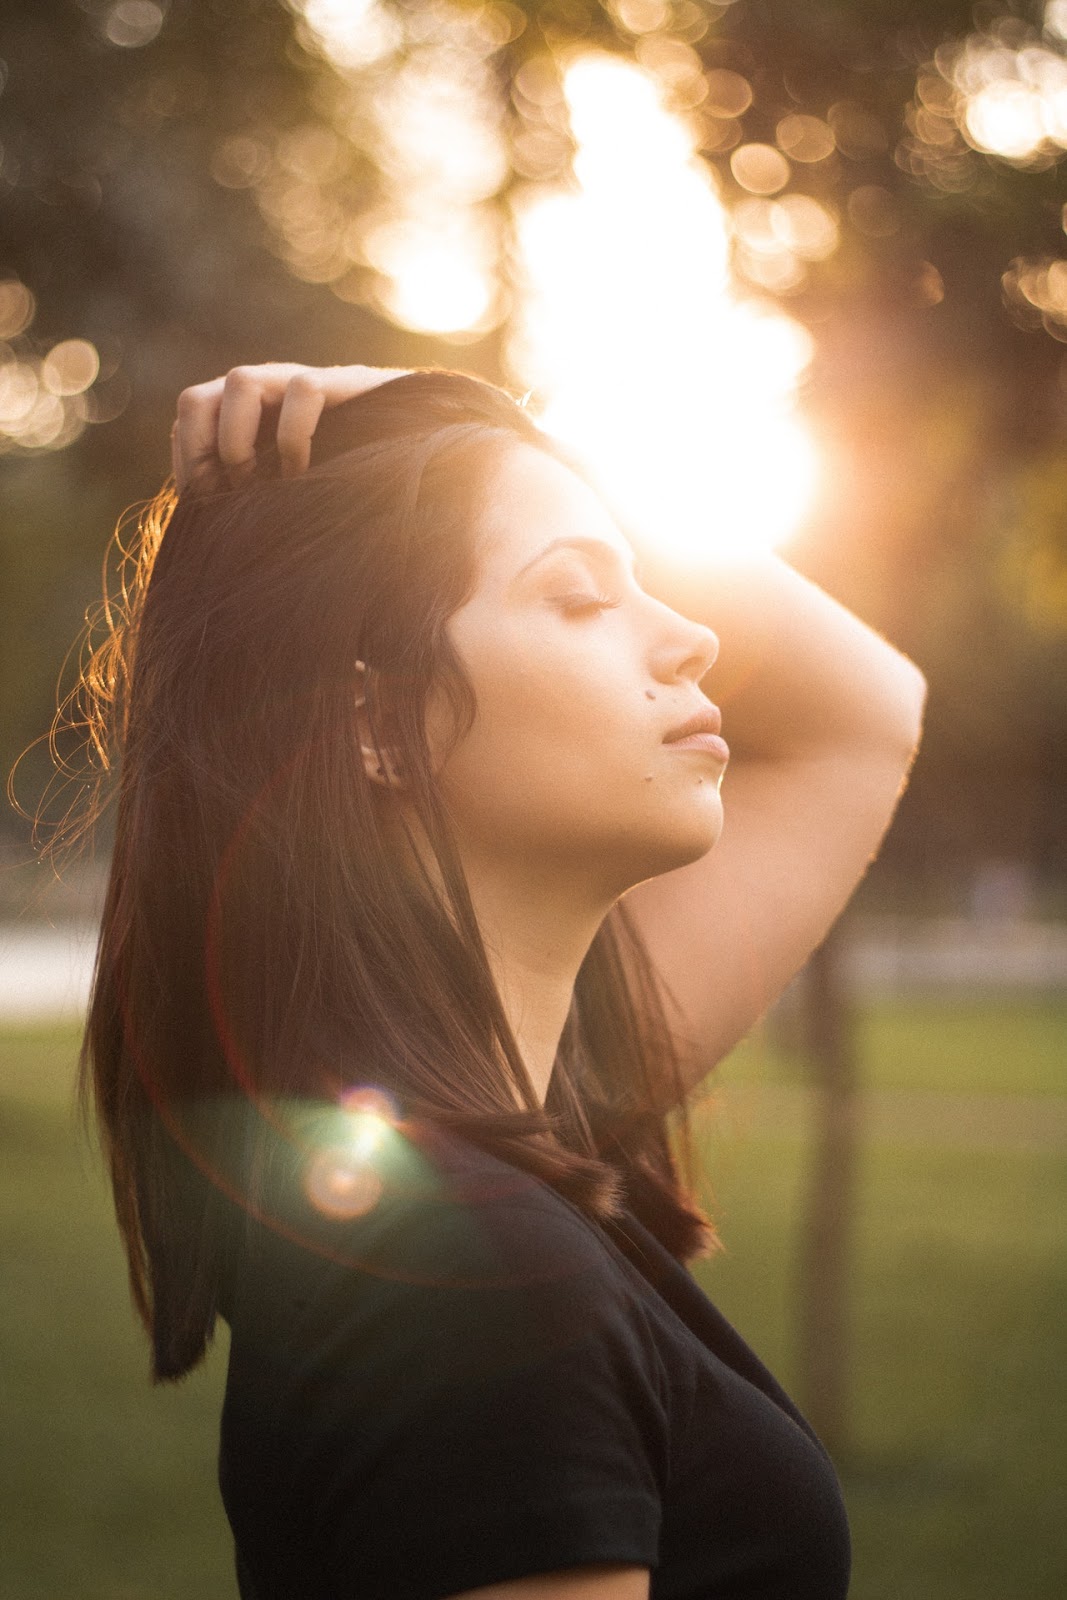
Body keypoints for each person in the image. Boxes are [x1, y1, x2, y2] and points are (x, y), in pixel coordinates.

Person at [71, 361, 925, 1600]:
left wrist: (456, 412)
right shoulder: (468, 1269)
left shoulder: (510, 1130)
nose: (694, 635)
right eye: (579, 597)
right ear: (375, 722)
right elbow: (864, 715)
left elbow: (865, 712)